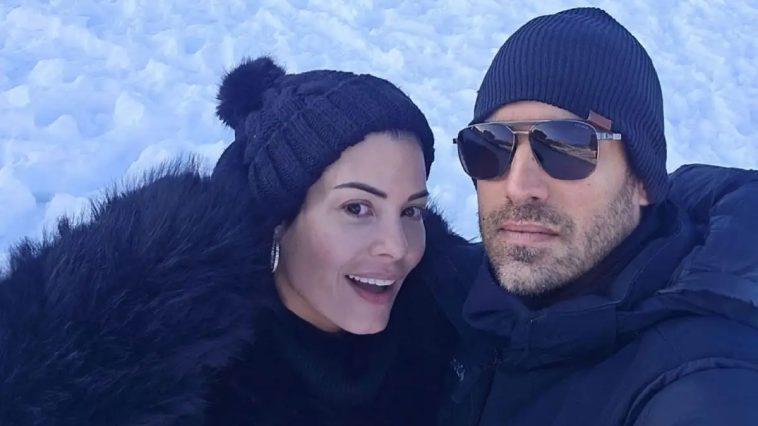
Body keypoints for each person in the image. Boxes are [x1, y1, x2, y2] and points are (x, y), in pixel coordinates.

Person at [0, 57, 462, 425]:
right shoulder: (187, 372)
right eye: (357, 208)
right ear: (279, 218)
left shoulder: (449, 333)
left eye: (411, 211)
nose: (397, 246)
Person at [436, 7, 758, 426]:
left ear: (643, 182)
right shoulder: (461, 296)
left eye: (566, 146)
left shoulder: (703, 382)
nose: (518, 185)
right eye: (491, 145)